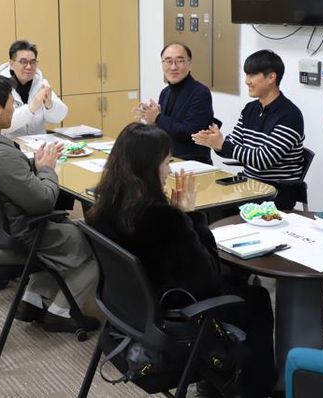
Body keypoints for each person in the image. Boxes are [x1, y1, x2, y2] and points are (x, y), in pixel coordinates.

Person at [87, 122, 277, 398]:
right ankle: (254, 390)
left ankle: (216, 381)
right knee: (256, 297)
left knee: (239, 284)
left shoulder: (103, 206)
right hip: (171, 318)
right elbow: (209, 281)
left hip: (129, 311)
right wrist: (191, 217)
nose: (169, 170)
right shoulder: (165, 220)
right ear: (148, 167)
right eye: (166, 162)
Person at [0, 72, 99, 333]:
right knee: (99, 244)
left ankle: (31, 299)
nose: (15, 108)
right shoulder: (1, 154)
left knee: (70, 237)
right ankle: (61, 312)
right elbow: (44, 202)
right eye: (12, 103)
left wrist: (32, 165)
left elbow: (5, 177)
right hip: (21, 237)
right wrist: (46, 170)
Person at [192, 49, 305, 210]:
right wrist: (215, 142)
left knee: (213, 210)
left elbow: (263, 160)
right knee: (202, 200)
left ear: (271, 78)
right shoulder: (250, 109)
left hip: (275, 192)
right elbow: (232, 145)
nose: (247, 81)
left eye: (252, 75)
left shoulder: (290, 115)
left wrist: (222, 144)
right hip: (249, 185)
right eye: (246, 75)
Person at [133, 42, 214, 164]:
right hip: (166, 160)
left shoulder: (200, 93)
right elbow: (164, 131)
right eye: (168, 61)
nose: (173, 67)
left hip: (192, 163)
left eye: (179, 61)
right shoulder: (165, 92)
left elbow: (190, 132)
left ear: (190, 64)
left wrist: (158, 117)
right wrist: (152, 123)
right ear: (162, 64)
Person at [0, 40, 68, 137]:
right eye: (23, 62)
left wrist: (50, 106)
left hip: (38, 142)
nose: (29, 67)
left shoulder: (41, 84)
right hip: (10, 143)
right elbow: (2, 125)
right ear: (11, 64)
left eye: (33, 62)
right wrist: (31, 109)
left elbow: (58, 118)